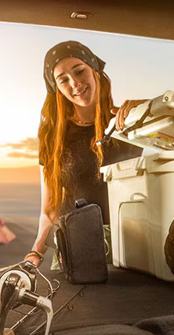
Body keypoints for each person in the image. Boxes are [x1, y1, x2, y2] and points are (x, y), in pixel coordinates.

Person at [23, 40, 143, 268]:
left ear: (95, 71)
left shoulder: (131, 123)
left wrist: (150, 109)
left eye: (79, 71)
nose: (75, 83)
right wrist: (35, 253)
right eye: (63, 80)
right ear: (57, 88)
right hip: (74, 249)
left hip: (132, 247)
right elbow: (49, 210)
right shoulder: (52, 138)